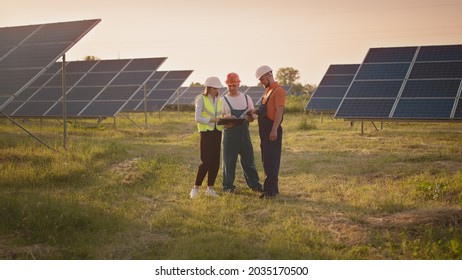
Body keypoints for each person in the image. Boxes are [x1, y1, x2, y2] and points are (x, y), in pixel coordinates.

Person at [220, 72, 263, 193]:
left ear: (239, 84)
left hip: (244, 133)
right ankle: (228, 186)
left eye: (234, 85)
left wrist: (250, 117)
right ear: (226, 85)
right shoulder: (223, 100)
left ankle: (255, 184)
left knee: (249, 161)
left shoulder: (246, 98)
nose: (232, 87)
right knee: (229, 162)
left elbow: (253, 116)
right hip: (229, 134)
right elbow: (219, 117)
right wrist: (226, 121)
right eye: (230, 85)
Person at [253, 65, 286, 198]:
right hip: (265, 131)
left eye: (262, 79)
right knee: (267, 160)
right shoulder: (268, 92)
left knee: (271, 160)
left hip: (272, 130)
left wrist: (274, 130)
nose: (261, 82)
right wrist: (255, 111)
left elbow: (279, 111)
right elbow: (266, 110)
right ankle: (273, 189)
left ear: (269, 75)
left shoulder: (278, 91)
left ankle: (269, 192)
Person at [190, 76, 224, 199]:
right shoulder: (201, 99)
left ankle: (210, 188)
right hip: (206, 132)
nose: (217, 90)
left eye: (218, 88)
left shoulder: (220, 100)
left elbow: (222, 115)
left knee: (215, 161)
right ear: (208, 88)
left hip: (217, 131)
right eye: (214, 88)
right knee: (206, 161)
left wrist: (227, 121)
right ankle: (196, 188)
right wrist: (211, 119)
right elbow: (197, 118)